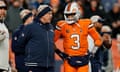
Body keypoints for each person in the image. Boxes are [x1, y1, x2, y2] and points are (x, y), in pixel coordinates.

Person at [54, 2, 102, 72]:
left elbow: (98, 39)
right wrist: (59, 52)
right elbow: (51, 41)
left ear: (77, 13)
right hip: (69, 60)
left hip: (83, 59)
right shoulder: (62, 25)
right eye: (68, 15)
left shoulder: (86, 23)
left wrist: (92, 52)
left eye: (72, 14)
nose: (70, 17)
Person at [16, 4, 55, 72]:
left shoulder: (51, 27)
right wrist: (29, 58)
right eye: (49, 14)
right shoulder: (30, 27)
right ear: (42, 14)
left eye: (51, 14)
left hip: (49, 65)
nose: (51, 16)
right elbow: (19, 45)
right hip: (34, 65)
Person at [0, 0, 9, 71]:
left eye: (5, 8)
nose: (3, 10)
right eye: (0, 8)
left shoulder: (3, 24)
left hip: (4, 65)